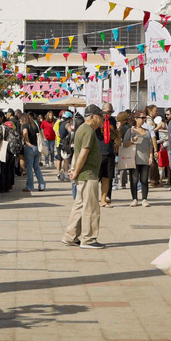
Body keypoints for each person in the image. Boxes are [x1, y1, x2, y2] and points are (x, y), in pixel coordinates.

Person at [63, 104, 105, 249]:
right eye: (100, 117)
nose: (102, 120)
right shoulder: (88, 130)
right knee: (91, 207)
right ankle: (89, 239)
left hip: (83, 173)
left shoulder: (81, 129)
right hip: (88, 174)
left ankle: (70, 236)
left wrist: (74, 169)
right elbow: (83, 152)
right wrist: (76, 170)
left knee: (80, 206)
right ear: (92, 116)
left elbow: (77, 152)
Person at [123, 113, 153, 207]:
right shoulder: (130, 131)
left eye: (145, 118)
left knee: (144, 180)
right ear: (136, 118)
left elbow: (150, 146)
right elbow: (124, 144)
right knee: (134, 180)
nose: (144, 119)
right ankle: (134, 199)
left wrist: (151, 157)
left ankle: (144, 199)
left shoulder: (147, 132)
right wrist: (132, 141)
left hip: (144, 158)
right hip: (133, 159)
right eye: (142, 118)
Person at [96, 102, 118, 207]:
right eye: (107, 112)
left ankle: (104, 199)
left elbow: (115, 135)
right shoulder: (98, 120)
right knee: (96, 178)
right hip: (99, 152)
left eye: (110, 112)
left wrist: (115, 136)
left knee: (107, 177)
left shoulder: (113, 120)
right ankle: (94, 198)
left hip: (109, 152)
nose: (108, 114)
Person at [20, 112, 46, 192]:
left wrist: (26, 141)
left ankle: (29, 186)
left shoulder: (25, 125)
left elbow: (24, 132)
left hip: (29, 147)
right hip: (37, 148)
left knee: (29, 168)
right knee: (36, 167)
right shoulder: (35, 125)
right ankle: (42, 185)